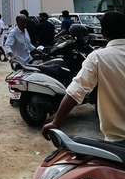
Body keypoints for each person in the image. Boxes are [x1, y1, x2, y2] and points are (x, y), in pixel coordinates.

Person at [42, 11, 125, 142]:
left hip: (117, 140)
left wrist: (56, 122)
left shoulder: (97, 57)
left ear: (103, 33)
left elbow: (75, 92)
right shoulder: (91, 52)